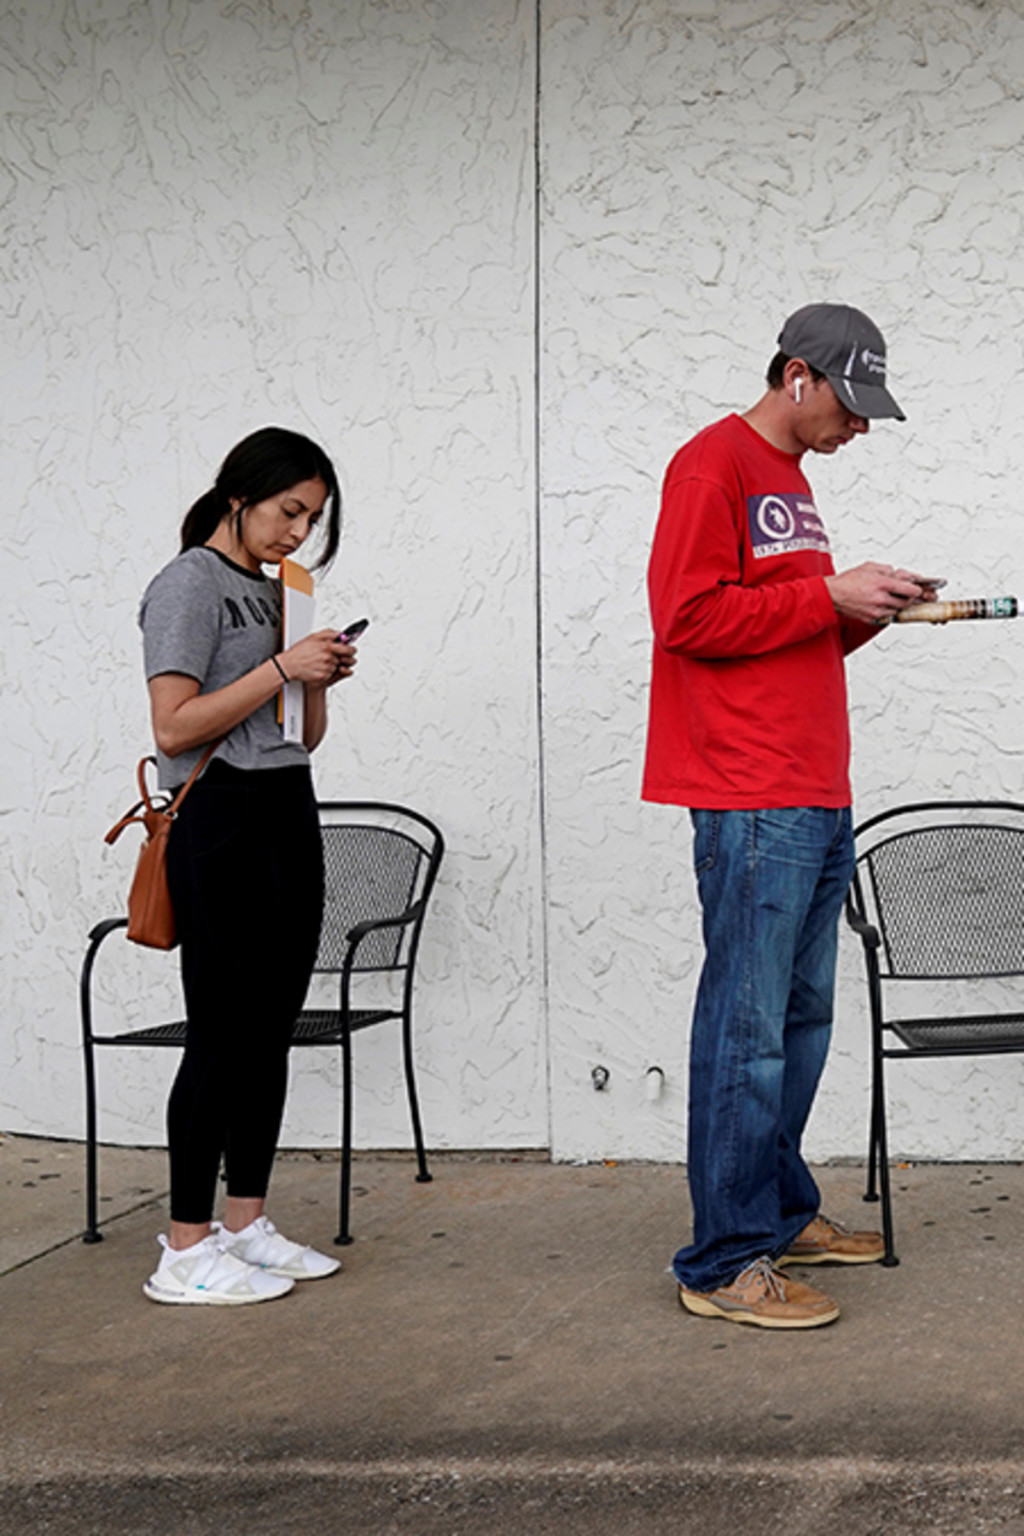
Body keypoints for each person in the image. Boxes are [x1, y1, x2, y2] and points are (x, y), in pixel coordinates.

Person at [643, 304, 941, 1330]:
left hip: (814, 784)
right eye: (849, 407)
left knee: (797, 1022)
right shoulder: (709, 467)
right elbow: (684, 619)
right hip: (750, 791)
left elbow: (779, 636)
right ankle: (722, 1261)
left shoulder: (793, 485)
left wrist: (860, 615)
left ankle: (773, 1210)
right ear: (797, 375)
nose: (858, 429)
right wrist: (828, 596)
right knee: (746, 1028)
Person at [138, 426, 359, 1306]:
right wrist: (278, 666)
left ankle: (244, 1224)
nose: (298, 534)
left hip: (283, 806)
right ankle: (184, 1247)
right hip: (217, 814)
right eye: (288, 511)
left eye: (311, 519)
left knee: (271, 1026)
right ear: (241, 493)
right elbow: (172, 729)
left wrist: (317, 683)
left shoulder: (280, 594)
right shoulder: (186, 585)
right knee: (221, 1031)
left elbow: (296, 735)